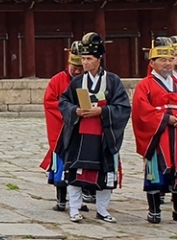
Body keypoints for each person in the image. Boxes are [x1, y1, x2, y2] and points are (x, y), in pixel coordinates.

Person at [57, 32, 131, 223]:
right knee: (76, 171)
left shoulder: (113, 81)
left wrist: (102, 112)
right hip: (81, 134)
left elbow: (123, 107)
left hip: (103, 134)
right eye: (83, 58)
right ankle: (74, 209)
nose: (85, 63)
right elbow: (64, 101)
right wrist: (76, 111)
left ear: (99, 59)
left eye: (89, 58)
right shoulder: (77, 81)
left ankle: (102, 210)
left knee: (105, 173)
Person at [132, 37, 177, 223]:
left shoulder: (176, 81)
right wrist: (166, 118)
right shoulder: (145, 85)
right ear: (152, 62)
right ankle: (154, 210)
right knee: (156, 171)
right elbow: (141, 110)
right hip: (158, 135)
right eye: (162, 60)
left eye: (170, 59)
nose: (167, 64)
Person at [42, 42, 85, 212]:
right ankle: (61, 200)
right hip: (63, 129)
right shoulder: (57, 80)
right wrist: (71, 112)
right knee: (60, 165)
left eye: (81, 67)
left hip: (82, 128)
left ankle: (79, 201)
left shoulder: (88, 81)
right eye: (74, 67)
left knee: (79, 166)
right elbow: (50, 102)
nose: (77, 71)